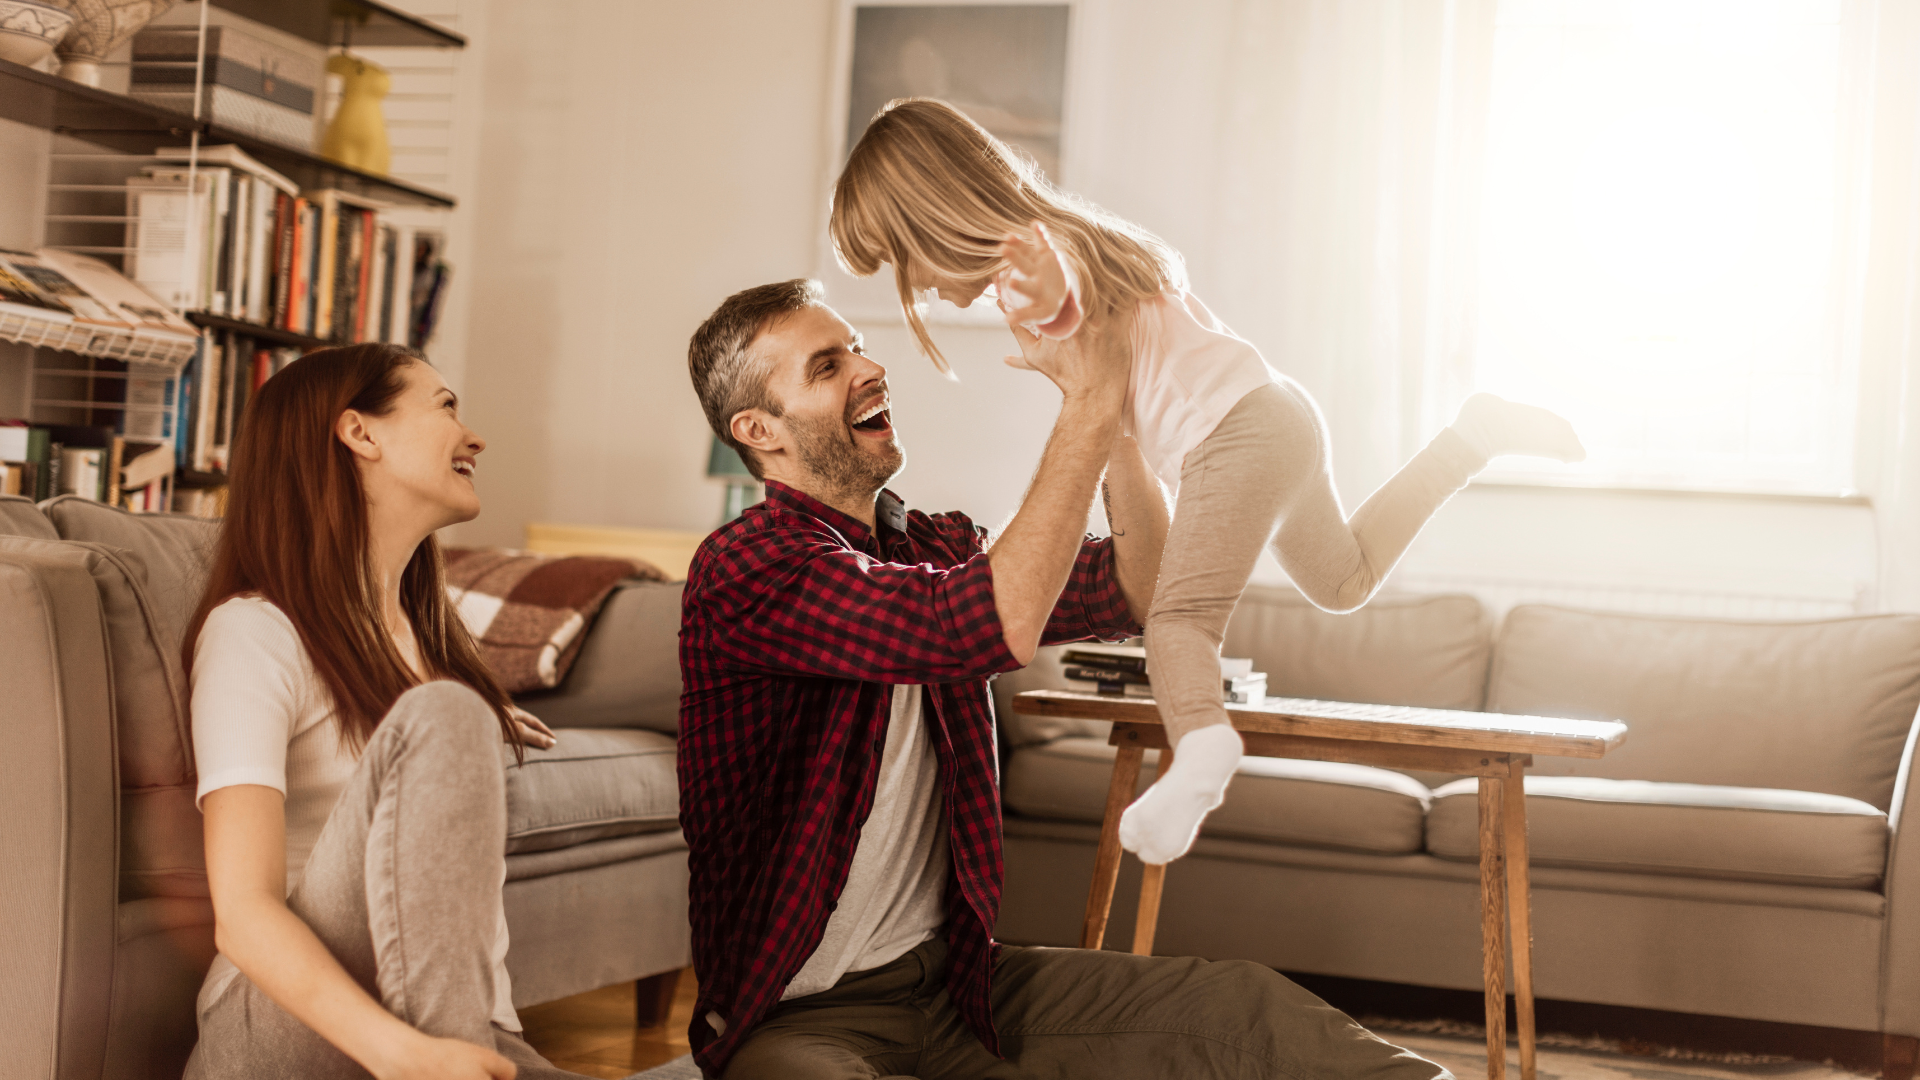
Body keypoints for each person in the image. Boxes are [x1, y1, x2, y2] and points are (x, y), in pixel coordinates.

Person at [679, 278, 1449, 1079]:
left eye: (859, 349)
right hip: (799, 1023)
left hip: (962, 989)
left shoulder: (939, 544)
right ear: (759, 430)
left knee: (1244, 1017)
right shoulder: (746, 566)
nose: (870, 369)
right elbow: (969, 623)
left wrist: (1113, 416)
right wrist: (1084, 401)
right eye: (827, 365)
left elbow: (1140, 587)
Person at [829, 97, 1587, 866]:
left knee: (1180, 624)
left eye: (902, 256)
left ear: (936, 216)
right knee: (1345, 578)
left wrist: (1033, 286)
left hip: (1236, 432)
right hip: (1275, 413)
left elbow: (1059, 295)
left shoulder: (1035, 258)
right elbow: (1106, 386)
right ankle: (1472, 439)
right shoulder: (1067, 240)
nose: (913, 284)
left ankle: (1202, 750)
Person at [181, 343, 580, 1080]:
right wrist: (402, 1053)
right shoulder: (256, 632)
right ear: (360, 433)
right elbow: (243, 913)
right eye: (446, 406)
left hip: (462, 1035)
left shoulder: (434, 654)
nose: (475, 435)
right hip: (284, 1038)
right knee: (446, 714)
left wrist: (456, 736)